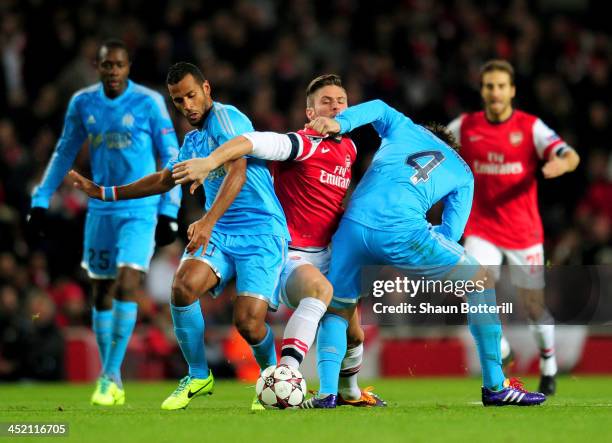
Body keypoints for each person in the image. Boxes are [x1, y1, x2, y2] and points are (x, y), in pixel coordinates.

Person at [69, 62, 290, 411]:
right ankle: (199, 374)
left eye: (190, 95)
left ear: (207, 89)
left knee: (248, 323)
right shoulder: (194, 140)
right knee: (182, 287)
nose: (187, 105)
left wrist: (206, 221)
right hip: (220, 232)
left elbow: (238, 171)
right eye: (178, 100)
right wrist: (105, 192)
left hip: (261, 232)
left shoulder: (227, 118)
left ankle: (270, 379)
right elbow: (164, 179)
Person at [301, 99, 547, 408]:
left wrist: (341, 123)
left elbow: (377, 106)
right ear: (453, 148)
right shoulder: (462, 171)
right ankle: (496, 386)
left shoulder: (403, 128)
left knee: (337, 310)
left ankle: (326, 394)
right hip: (402, 231)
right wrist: (419, 250)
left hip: (352, 228)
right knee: (480, 279)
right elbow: (451, 234)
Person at [172, 74, 385, 407]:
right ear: (310, 112)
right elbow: (250, 142)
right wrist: (212, 161)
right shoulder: (299, 143)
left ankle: (349, 392)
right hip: (291, 255)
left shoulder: (350, 148)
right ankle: (285, 374)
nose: (335, 107)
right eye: (325, 101)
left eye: (340, 101)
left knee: (353, 331)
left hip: (329, 254)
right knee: (320, 292)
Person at [27, 39, 181, 406]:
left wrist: (169, 210)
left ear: (128, 68)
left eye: (119, 65)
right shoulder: (83, 102)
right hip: (100, 210)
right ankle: (110, 377)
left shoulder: (149, 102)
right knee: (101, 291)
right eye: (106, 65)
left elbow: (171, 153)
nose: (113, 71)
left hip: (140, 209)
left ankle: (110, 375)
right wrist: (40, 198)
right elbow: (65, 150)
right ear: (97, 68)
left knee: (129, 280)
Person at [448, 60, 580, 395]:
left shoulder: (531, 127)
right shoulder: (465, 127)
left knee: (533, 305)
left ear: (512, 91)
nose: (495, 92)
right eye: (489, 86)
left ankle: (548, 363)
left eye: (501, 86)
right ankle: (502, 350)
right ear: (482, 91)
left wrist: (560, 164)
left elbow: (571, 155)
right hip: (481, 226)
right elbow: (432, 144)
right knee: (474, 288)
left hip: (523, 231)